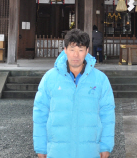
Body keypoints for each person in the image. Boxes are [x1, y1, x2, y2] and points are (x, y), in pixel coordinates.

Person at [33, 29, 115, 158]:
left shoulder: (100, 79)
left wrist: (105, 146)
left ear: (87, 51)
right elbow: (40, 114)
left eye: (80, 49)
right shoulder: (50, 78)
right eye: (72, 49)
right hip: (57, 151)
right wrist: (41, 147)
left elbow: (107, 114)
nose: (76, 55)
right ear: (65, 50)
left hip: (89, 150)